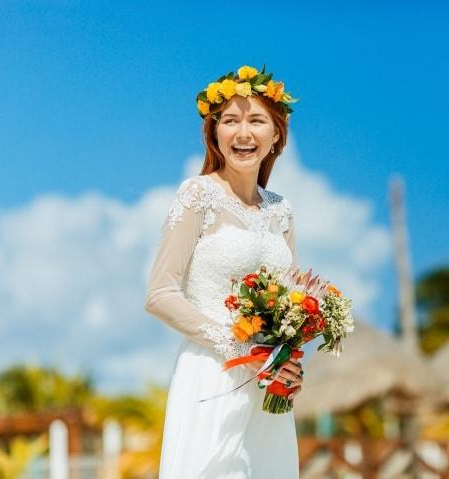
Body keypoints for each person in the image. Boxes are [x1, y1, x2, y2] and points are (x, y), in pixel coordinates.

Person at [144, 65, 302, 478]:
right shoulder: (198, 195)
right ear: (214, 134)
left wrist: (289, 362)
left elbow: (292, 304)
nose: (242, 132)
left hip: (268, 390)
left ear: (276, 136)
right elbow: (159, 294)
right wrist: (238, 351)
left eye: (256, 120)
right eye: (229, 121)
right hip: (211, 377)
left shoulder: (280, 210)